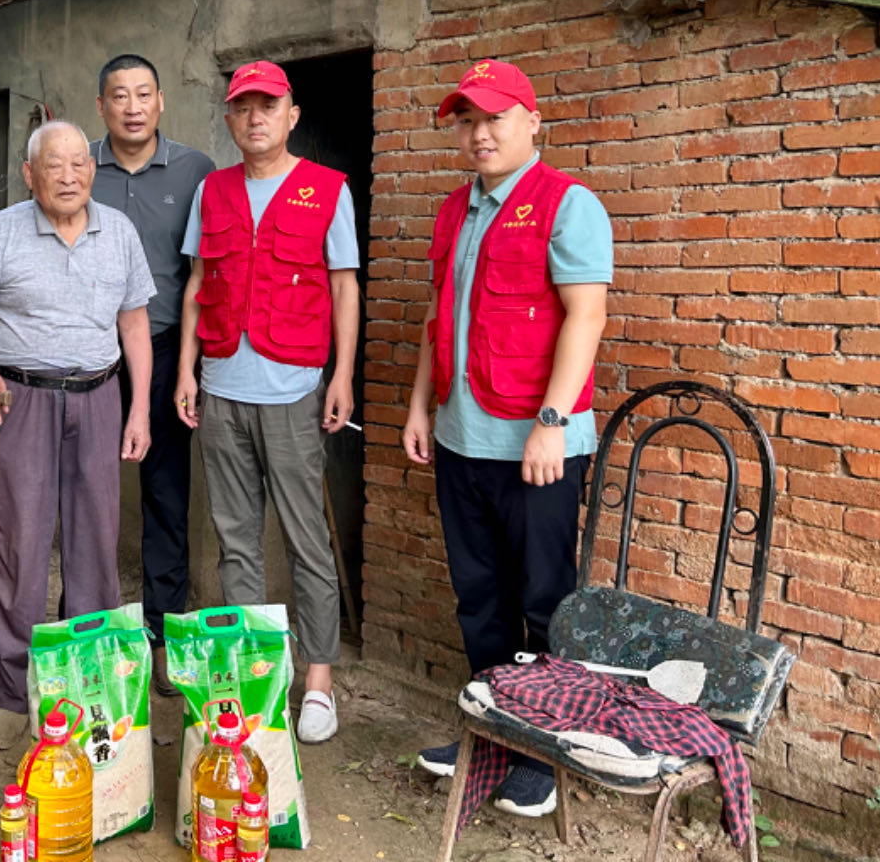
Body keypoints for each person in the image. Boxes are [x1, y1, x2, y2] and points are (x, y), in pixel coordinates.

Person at [401, 58, 612, 818]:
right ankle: (494, 736)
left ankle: (543, 752)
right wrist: (420, 406)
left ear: (531, 121)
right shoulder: (455, 210)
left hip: (536, 445)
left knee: (544, 602)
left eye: (494, 117)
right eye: (467, 121)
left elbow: (586, 316)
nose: (479, 133)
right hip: (462, 438)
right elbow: (438, 316)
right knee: (480, 598)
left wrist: (552, 424)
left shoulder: (568, 204)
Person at [0, 120, 156, 748]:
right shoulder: (1, 231)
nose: (69, 176)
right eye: (53, 165)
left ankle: (86, 687)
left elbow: (135, 327)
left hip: (100, 397)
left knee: (96, 546)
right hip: (21, 399)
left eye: (79, 164)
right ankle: (14, 694)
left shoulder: (119, 232)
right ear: (29, 175)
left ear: (92, 171)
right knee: (20, 546)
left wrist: (140, 409)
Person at [174, 60, 360, 746]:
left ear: (292, 115)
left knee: (306, 540)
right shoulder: (213, 191)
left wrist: (341, 376)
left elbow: (344, 286)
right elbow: (198, 283)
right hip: (221, 390)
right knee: (236, 540)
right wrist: (187, 370)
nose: (255, 118)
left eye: (268, 105)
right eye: (243, 107)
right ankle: (256, 676)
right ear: (229, 117)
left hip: (293, 391)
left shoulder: (326, 189)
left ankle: (318, 681)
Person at [89, 54, 216, 696]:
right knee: (87, 491)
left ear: (161, 101)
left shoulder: (196, 171)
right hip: (88, 355)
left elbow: (203, 273)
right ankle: (87, 629)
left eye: (144, 94)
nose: (133, 107)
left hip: (165, 350)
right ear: (102, 106)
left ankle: (163, 636)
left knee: (166, 495)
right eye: (120, 96)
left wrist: (193, 363)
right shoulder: (79, 165)